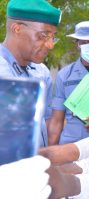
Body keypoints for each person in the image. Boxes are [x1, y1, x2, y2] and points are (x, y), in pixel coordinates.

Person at [0, 0, 61, 147]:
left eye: (53, 37)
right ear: (17, 29)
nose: (50, 45)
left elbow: (46, 120)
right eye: (43, 35)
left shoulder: (42, 73)